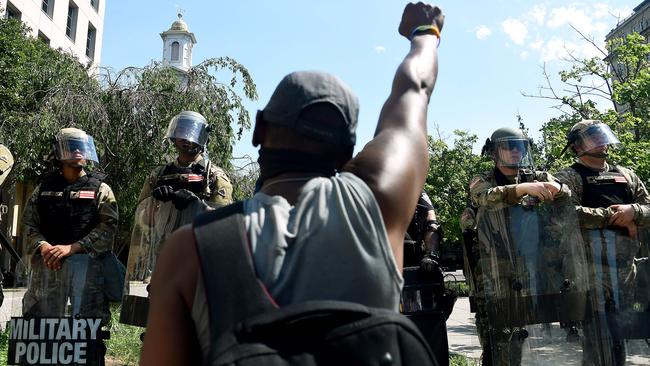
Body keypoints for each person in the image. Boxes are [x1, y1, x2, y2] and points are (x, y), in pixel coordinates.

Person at [140, 3, 444, 364]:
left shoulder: (188, 250)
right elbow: (414, 90)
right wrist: (425, 33)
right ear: (347, 154)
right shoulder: (378, 206)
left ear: (258, 132)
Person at [469, 127, 574, 366]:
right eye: (509, 146)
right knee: (496, 337)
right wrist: (522, 190)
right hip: (494, 268)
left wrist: (555, 189)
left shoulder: (534, 175)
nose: (515, 151)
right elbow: (483, 196)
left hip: (529, 264)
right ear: (494, 152)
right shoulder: (483, 179)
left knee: (520, 334)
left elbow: (564, 191)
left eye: (520, 146)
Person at [121, 111, 234, 326]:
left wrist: (196, 204)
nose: (185, 139)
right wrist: (154, 204)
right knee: (158, 321)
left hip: (197, 259)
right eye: (181, 132)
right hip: (162, 259)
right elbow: (142, 222)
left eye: (190, 133)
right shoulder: (159, 174)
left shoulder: (214, 176)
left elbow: (222, 223)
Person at [555, 119, 650, 366]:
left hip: (626, 272)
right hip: (588, 272)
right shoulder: (568, 176)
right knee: (597, 340)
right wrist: (611, 216)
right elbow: (564, 214)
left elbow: (648, 208)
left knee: (620, 337)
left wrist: (634, 211)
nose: (601, 142)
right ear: (577, 146)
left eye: (601, 135)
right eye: (592, 137)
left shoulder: (626, 174)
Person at [21, 128, 118, 363]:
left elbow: (108, 228)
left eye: (81, 146)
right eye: (71, 145)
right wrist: (44, 246)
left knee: (87, 334)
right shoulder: (43, 188)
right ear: (59, 153)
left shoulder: (100, 189)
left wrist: (74, 248)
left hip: (87, 274)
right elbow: (28, 224)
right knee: (41, 328)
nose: (78, 151)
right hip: (47, 269)